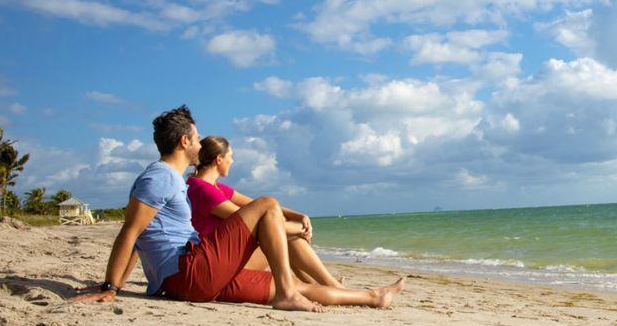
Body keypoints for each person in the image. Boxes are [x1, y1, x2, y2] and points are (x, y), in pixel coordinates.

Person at [72, 105, 405, 312]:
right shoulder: (160, 177)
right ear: (185, 141)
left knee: (291, 281)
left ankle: (372, 297)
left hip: (191, 278)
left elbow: (141, 236)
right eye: (197, 137)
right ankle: (287, 292)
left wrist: (117, 286)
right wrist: (110, 288)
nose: (201, 144)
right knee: (268, 204)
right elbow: (130, 231)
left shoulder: (171, 180)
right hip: (190, 272)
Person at [187, 135, 343, 289]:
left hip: (226, 256)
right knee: (286, 237)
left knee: (285, 235)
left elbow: (258, 205)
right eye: (231, 156)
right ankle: (331, 285)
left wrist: (298, 216)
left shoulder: (216, 188)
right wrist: (299, 228)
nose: (232, 161)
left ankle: (319, 285)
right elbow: (255, 222)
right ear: (218, 159)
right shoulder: (202, 189)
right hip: (217, 262)